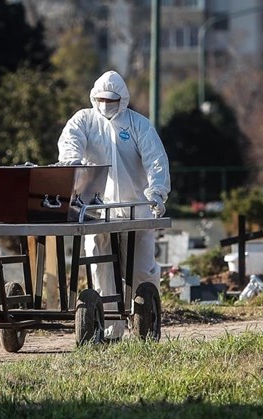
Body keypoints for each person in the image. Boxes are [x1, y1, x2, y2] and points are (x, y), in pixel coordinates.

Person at [57, 70, 170, 341]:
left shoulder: (138, 125)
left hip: (135, 210)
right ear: (93, 98)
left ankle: (146, 320)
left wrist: (156, 192)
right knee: (100, 269)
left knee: (142, 271)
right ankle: (110, 330)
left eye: (111, 99)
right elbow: (70, 141)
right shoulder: (84, 120)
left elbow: (156, 160)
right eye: (101, 99)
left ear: (123, 99)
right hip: (95, 212)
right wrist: (72, 161)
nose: (106, 104)